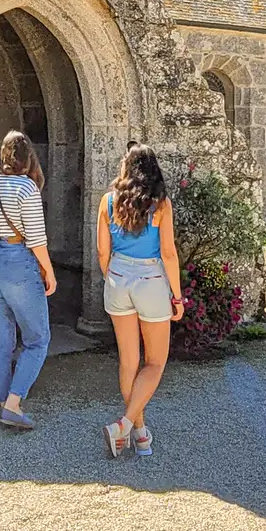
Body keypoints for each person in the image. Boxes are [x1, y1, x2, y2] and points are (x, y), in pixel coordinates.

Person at [96, 143, 183, 458]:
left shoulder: (108, 202)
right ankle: (124, 425)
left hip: (118, 278)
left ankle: (140, 434)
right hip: (151, 281)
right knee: (155, 362)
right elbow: (169, 253)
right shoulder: (160, 205)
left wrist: (114, 276)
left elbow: (103, 252)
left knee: (128, 362)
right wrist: (177, 295)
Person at [0, 130, 58, 431]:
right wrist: (49, 272)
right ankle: (13, 403)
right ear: (27, 159)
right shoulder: (26, 189)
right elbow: (37, 239)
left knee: (1, 337)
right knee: (38, 339)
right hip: (19, 260)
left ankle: (1, 399)